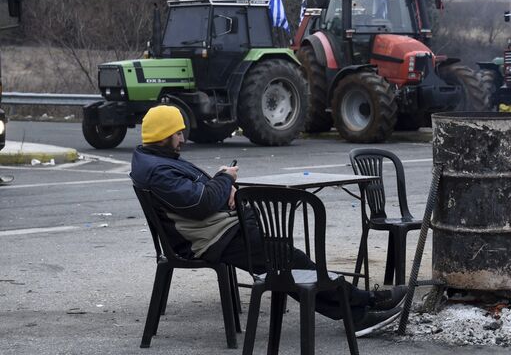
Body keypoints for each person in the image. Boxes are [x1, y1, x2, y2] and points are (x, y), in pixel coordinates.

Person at [130, 104, 405, 337]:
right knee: (291, 264)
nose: (182, 139)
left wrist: (224, 185)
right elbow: (201, 203)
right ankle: (360, 311)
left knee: (290, 261)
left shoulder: (157, 160)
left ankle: (361, 306)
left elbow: (201, 195)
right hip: (211, 239)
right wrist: (226, 179)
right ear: (164, 135)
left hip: (217, 232)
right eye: (177, 133)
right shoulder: (159, 171)